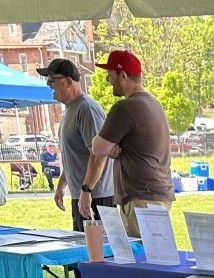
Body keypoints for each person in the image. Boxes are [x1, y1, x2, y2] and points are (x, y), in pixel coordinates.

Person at [82, 50, 174, 237]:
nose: (108, 80)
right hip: (155, 194)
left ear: (123, 75)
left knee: (144, 261)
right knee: (154, 258)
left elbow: (98, 148)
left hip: (140, 197)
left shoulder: (125, 107)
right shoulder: (154, 104)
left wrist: (109, 146)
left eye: (110, 74)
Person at [36, 58, 115, 231]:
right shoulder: (71, 110)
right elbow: (75, 156)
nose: (49, 84)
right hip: (82, 196)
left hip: (97, 197)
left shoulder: (86, 109)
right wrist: (61, 185)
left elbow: (98, 155)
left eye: (51, 79)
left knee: (98, 253)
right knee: (84, 251)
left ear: (68, 81)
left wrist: (87, 191)